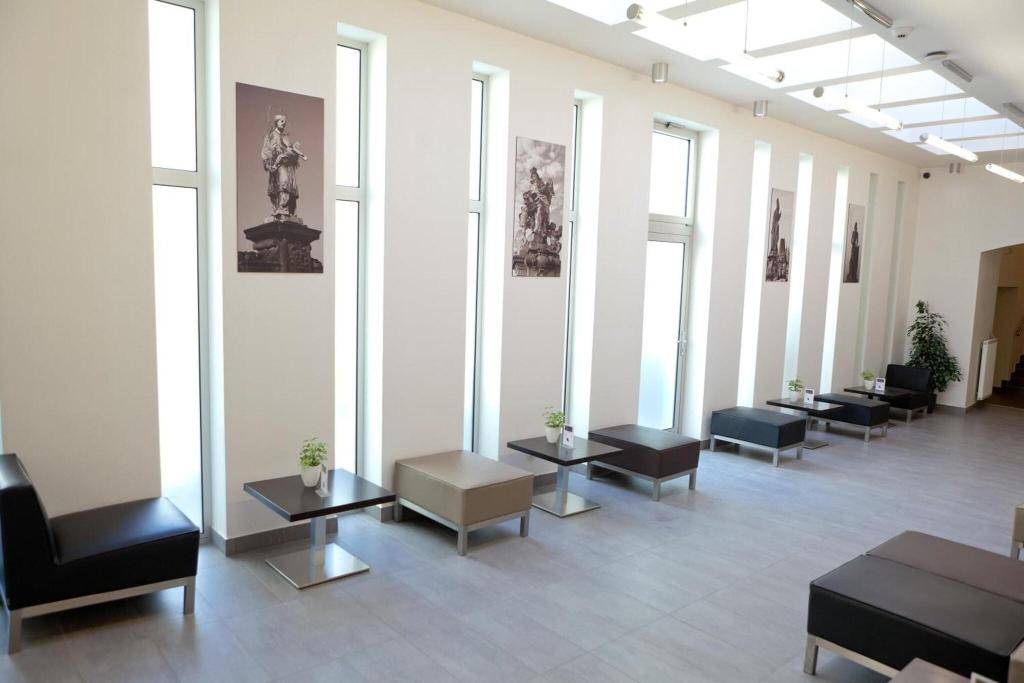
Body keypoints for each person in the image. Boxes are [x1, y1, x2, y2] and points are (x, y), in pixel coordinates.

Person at [261, 114, 306, 220]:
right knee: (281, 184)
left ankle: (286, 209)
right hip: (277, 165)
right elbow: (265, 150)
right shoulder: (271, 136)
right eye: (281, 121)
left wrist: (294, 154)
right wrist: (268, 163)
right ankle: (279, 208)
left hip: (287, 165)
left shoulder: (285, 137)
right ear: (276, 122)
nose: (283, 124)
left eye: (284, 122)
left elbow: (292, 149)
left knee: (288, 186)